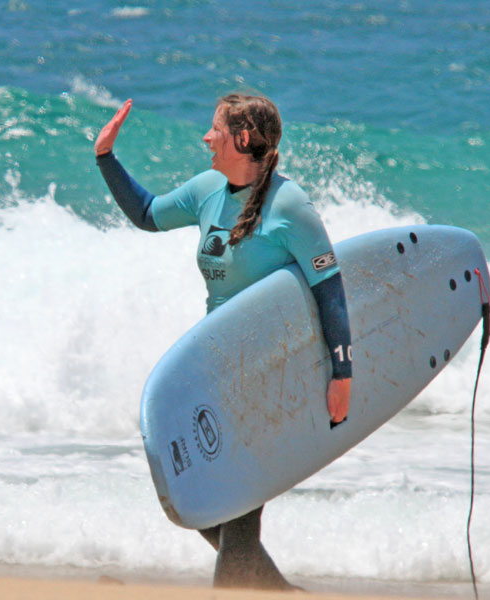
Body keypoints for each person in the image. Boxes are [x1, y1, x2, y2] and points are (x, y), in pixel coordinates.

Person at [94, 94, 353, 589]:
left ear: (242, 139)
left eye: (215, 129)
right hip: (216, 367)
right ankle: (278, 592)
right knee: (203, 501)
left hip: (270, 372)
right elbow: (147, 213)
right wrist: (106, 158)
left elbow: (331, 289)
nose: (206, 138)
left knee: (238, 506)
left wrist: (341, 373)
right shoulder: (209, 188)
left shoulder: (290, 206)